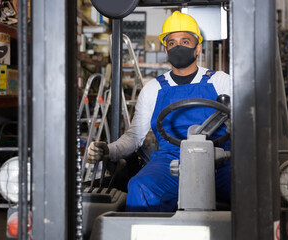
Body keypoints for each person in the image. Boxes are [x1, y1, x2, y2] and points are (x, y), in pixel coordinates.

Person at [88, 11, 231, 212]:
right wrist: (108, 150)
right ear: (165, 49)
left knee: (248, 186)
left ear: (198, 48)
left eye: (185, 41)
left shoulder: (221, 81)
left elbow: (246, 120)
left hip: (218, 159)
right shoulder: (153, 89)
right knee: (140, 186)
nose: (178, 46)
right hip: (170, 161)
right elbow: (134, 137)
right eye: (172, 43)